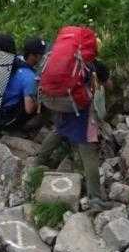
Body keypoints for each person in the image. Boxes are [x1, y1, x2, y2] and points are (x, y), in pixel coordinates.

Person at [27, 58, 111, 212]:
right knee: (89, 152)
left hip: (62, 106)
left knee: (59, 131)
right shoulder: (94, 66)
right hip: (82, 112)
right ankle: (95, 199)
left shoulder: (65, 59)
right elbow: (106, 89)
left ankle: (37, 162)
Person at [0, 37, 46, 134]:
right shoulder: (30, 78)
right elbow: (29, 109)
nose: (43, 57)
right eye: (41, 55)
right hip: (5, 118)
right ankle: (18, 131)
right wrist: (41, 99)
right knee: (42, 106)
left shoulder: (15, 60)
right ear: (34, 56)